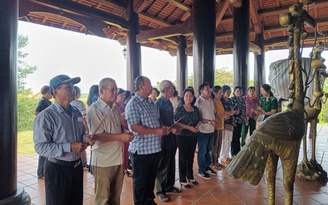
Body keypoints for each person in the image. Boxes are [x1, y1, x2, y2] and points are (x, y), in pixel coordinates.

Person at [33, 74, 93, 205]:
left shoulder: (76, 112)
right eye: (67, 87)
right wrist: (69, 147)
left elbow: (81, 135)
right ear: (55, 92)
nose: (73, 90)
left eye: (73, 87)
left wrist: (86, 139)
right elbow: (40, 147)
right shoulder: (46, 117)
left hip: (76, 167)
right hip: (57, 169)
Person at [87, 78, 134, 205]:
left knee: (115, 197)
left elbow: (120, 127)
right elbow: (98, 135)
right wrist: (120, 137)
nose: (115, 92)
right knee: (102, 199)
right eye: (112, 89)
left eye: (116, 89)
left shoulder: (115, 108)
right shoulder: (95, 109)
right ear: (101, 91)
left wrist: (125, 133)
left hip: (118, 158)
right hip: (103, 161)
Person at [125, 76, 169, 205]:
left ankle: (149, 200)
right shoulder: (133, 103)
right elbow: (134, 126)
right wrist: (156, 131)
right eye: (149, 84)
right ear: (141, 86)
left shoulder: (150, 102)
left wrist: (162, 127)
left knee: (150, 179)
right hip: (141, 150)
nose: (151, 87)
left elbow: (156, 120)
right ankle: (140, 202)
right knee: (140, 181)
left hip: (155, 148)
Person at [155, 80, 181, 202]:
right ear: (166, 90)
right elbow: (158, 121)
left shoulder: (169, 103)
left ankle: (169, 185)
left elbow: (170, 120)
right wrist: (168, 129)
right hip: (163, 138)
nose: (173, 90)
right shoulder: (158, 103)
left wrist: (175, 127)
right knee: (163, 165)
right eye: (172, 88)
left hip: (171, 137)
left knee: (171, 162)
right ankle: (160, 190)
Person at [174, 88, 201, 189]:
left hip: (193, 135)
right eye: (187, 96)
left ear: (193, 97)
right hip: (182, 136)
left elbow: (199, 119)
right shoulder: (180, 108)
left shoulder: (195, 108)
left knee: (190, 156)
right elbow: (176, 121)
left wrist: (198, 125)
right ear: (183, 97)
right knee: (183, 157)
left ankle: (190, 175)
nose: (189, 98)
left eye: (190, 96)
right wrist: (189, 127)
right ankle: (182, 178)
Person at [195, 83, 217, 179]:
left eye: (209, 89)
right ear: (201, 91)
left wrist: (215, 121)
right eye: (207, 89)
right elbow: (198, 118)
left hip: (211, 130)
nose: (209, 91)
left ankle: (207, 167)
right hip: (203, 131)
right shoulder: (198, 102)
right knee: (202, 151)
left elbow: (213, 113)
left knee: (209, 149)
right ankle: (201, 170)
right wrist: (209, 121)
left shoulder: (211, 101)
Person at [34, 85, 52, 179]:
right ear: (47, 92)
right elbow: (36, 112)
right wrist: (43, 121)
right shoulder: (42, 102)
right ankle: (41, 173)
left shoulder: (47, 102)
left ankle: (44, 172)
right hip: (44, 128)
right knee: (43, 153)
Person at [70, 86, 89, 170]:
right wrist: (87, 128)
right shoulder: (79, 103)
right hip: (80, 128)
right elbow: (83, 118)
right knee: (81, 147)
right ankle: (83, 164)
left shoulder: (70, 106)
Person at [220, 85, 237, 164]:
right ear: (223, 92)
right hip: (224, 122)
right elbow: (221, 112)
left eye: (230, 92)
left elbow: (231, 110)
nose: (229, 93)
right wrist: (230, 113)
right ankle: (223, 157)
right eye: (227, 92)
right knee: (225, 140)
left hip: (230, 121)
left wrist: (232, 114)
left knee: (229, 140)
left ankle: (226, 156)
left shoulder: (230, 100)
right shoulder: (221, 100)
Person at [211, 86, 227, 170]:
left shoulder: (220, 102)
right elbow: (215, 114)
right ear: (215, 93)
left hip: (221, 125)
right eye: (219, 93)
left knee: (219, 144)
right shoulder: (213, 102)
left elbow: (223, 112)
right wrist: (224, 115)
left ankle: (216, 161)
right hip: (215, 126)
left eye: (221, 93)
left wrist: (226, 115)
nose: (221, 94)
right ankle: (213, 162)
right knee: (215, 145)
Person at [230, 86, 246, 156]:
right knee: (234, 137)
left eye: (240, 91)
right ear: (234, 92)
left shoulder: (242, 100)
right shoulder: (232, 100)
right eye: (237, 91)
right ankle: (234, 152)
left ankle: (238, 151)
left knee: (238, 135)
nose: (239, 92)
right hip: (234, 121)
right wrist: (232, 120)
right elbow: (230, 111)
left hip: (240, 120)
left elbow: (244, 110)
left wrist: (245, 118)